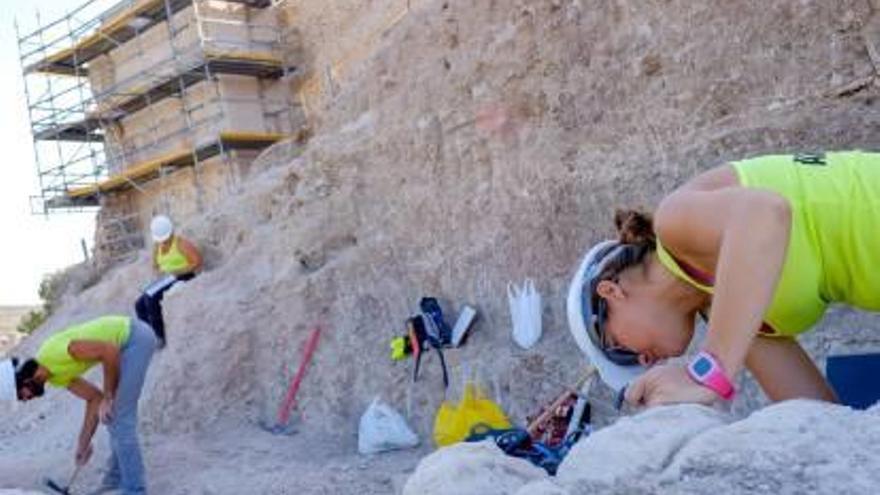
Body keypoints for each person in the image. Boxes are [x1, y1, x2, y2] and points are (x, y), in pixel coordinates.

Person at [566, 150, 880, 408]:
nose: (647, 361)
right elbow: (819, 418)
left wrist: (707, 373)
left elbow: (765, 213)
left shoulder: (672, 223)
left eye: (621, 350)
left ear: (611, 291)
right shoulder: (735, 311)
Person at [0, 315, 157, 494]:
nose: (26, 400)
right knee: (113, 415)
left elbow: (109, 350)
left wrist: (108, 397)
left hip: (134, 339)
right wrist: (83, 442)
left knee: (120, 418)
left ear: (24, 381)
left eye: (21, 397)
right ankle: (115, 480)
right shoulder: (55, 377)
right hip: (124, 348)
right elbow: (93, 398)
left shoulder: (53, 353)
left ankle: (135, 490)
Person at [135, 215, 202, 347]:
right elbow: (155, 265)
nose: (163, 241)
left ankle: (160, 335)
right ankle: (148, 334)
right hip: (165, 278)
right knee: (139, 304)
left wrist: (178, 271)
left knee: (152, 300)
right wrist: (159, 273)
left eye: (166, 239)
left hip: (182, 275)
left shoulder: (181, 244)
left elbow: (197, 262)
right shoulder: (157, 247)